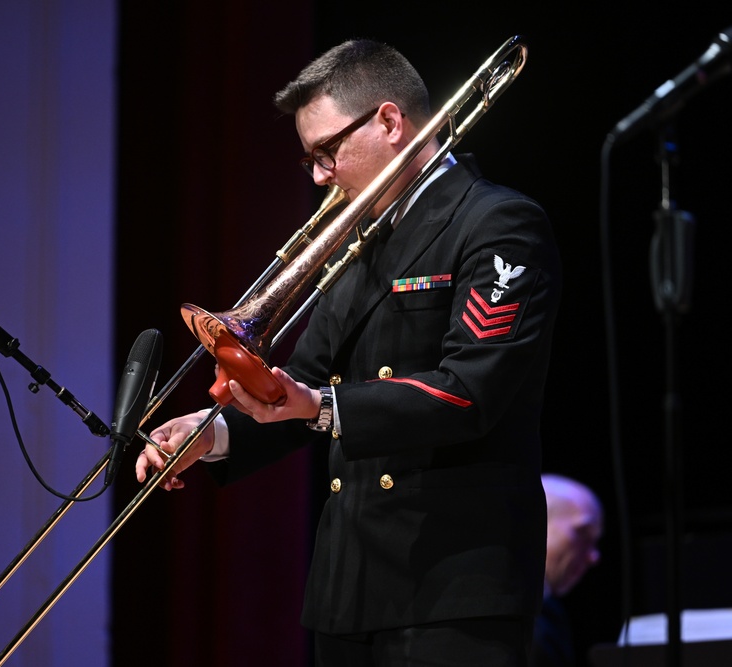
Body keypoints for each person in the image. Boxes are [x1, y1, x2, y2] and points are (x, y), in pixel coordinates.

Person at [137, 38, 562, 666]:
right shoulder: (361, 242)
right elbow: (305, 381)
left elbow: (468, 391)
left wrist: (322, 406)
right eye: (310, 159)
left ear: (390, 122)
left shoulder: (498, 223)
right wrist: (214, 436)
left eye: (327, 151)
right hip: (349, 585)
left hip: (453, 587)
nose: (318, 175)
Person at [529, 474, 604, 667]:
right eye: (583, 533)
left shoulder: (552, 613)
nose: (593, 557)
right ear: (537, 521)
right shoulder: (501, 611)